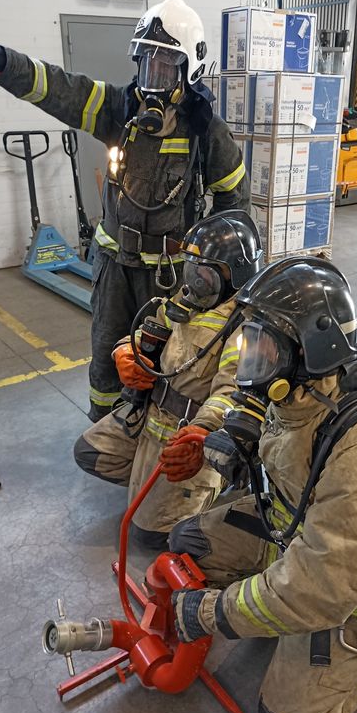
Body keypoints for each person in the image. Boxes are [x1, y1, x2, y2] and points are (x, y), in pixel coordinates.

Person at [0, 0, 250, 421]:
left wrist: (213, 282)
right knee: (106, 361)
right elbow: (56, 88)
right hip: (113, 270)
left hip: (169, 279)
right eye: (146, 64)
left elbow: (235, 210)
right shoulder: (120, 110)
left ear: (189, 70)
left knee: (168, 363)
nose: (153, 79)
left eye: (165, 66)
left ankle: (152, 435)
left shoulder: (207, 132)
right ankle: (104, 431)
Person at [169, 257, 357, 713]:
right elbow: (271, 430)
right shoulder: (294, 391)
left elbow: (317, 589)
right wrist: (228, 440)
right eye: (251, 342)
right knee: (188, 543)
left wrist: (211, 614)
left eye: (263, 347)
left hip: (352, 587)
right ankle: (273, 596)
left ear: (309, 350)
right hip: (288, 531)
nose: (252, 359)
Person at [74, 210, 262, 548]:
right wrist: (126, 352)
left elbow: (231, 393)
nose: (194, 279)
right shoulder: (190, 299)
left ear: (234, 274)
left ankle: (222, 473)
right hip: (152, 417)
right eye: (192, 267)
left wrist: (203, 435)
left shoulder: (245, 325)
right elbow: (151, 330)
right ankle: (158, 485)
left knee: (149, 535)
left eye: (205, 272)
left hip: (192, 436)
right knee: (90, 452)